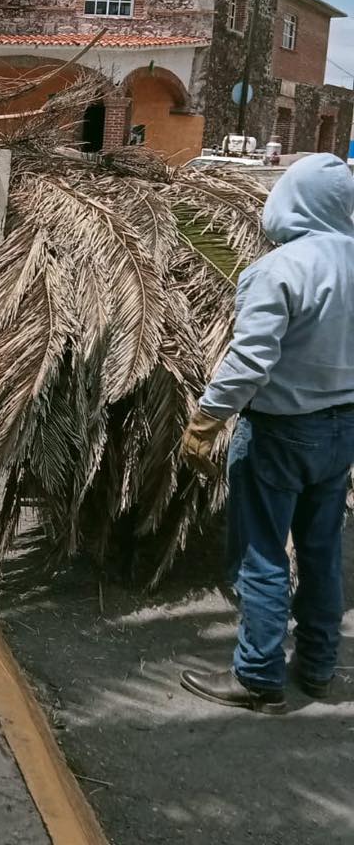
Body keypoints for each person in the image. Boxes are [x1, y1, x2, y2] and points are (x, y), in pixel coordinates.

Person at [180, 152, 354, 714]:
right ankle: (319, 668)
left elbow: (249, 362)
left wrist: (207, 418)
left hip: (280, 433)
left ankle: (258, 675)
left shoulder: (279, 269)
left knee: (262, 553)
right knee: (323, 550)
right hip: (342, 430)